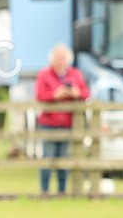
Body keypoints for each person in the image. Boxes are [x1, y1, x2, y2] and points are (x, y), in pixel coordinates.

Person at [34, 43, 89, 196]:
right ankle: (44, 191)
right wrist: (55, 95)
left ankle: (62, 191)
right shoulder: (44, 74)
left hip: (67, 123)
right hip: (49, 123)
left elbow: (86, 93)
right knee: (47, 158)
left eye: (64, 58)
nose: (61, 61)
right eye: (58, 58)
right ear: (52, 59)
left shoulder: (75, 74)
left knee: (64, 159)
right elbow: (40, 96)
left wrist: (77, 93)